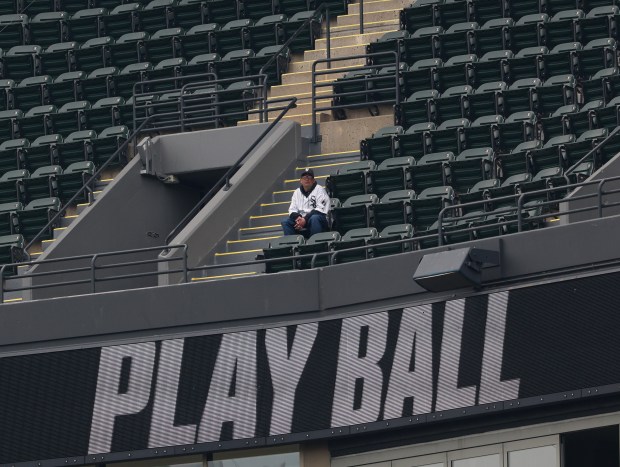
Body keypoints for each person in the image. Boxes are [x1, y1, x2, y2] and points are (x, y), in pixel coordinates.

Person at [281, 168, 330, 239]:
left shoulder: (320, 190)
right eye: (304, 177)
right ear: (300, 181)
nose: (307, 179)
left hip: (318, 219)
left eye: (309, 177)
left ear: (313, 180)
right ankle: (291, 245)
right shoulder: (297, 192)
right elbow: (292, 210)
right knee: (286, 222)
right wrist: (298, 219)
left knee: (314, 218)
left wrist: (305, 219)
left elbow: (320, 210)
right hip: (303, 220)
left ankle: (315, 243)